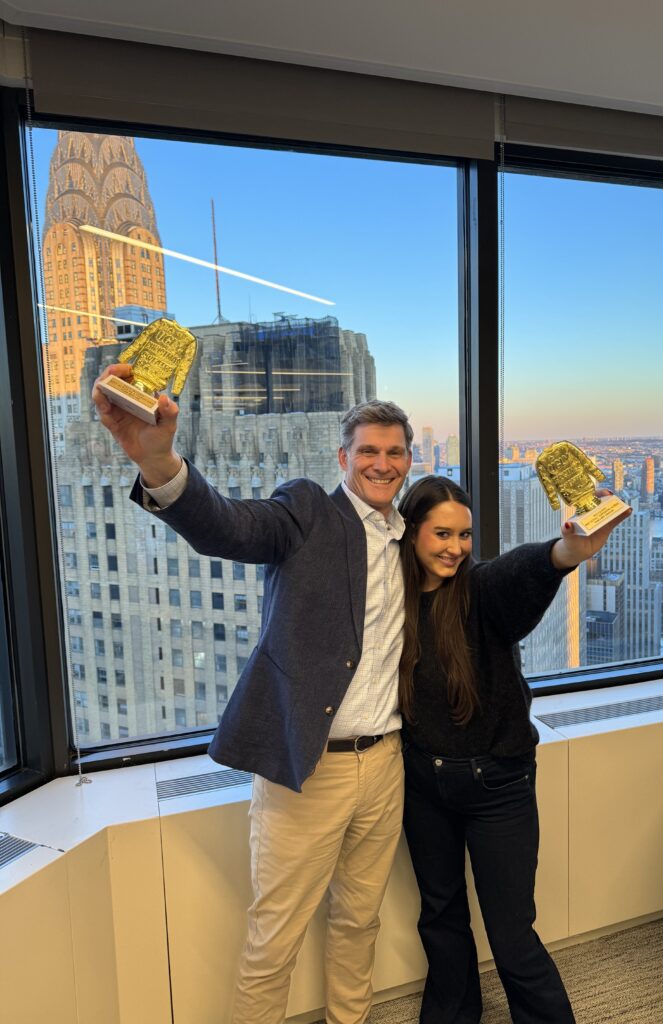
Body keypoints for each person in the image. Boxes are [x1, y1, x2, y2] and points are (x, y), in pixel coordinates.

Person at [92, 362, 414, 1024]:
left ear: (410, 459)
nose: (381, 465)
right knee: (275, 942)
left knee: (360, 921)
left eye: (394, 452)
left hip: (386, 764)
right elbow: (227, 527)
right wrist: (160, 464)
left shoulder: (408, 538)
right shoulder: (306, 512)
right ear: (343, 458)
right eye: (368, 452)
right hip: (307, 768)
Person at [397, 474, 630, 1024]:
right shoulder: (392, 597)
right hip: (421, 783)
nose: (456, 547)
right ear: (410, 534)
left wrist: (568, 550)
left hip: (497, 784)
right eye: (441, 534)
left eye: (465, 535)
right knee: (440, 917)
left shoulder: (480, 590)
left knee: (510, 935)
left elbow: (526, 569)